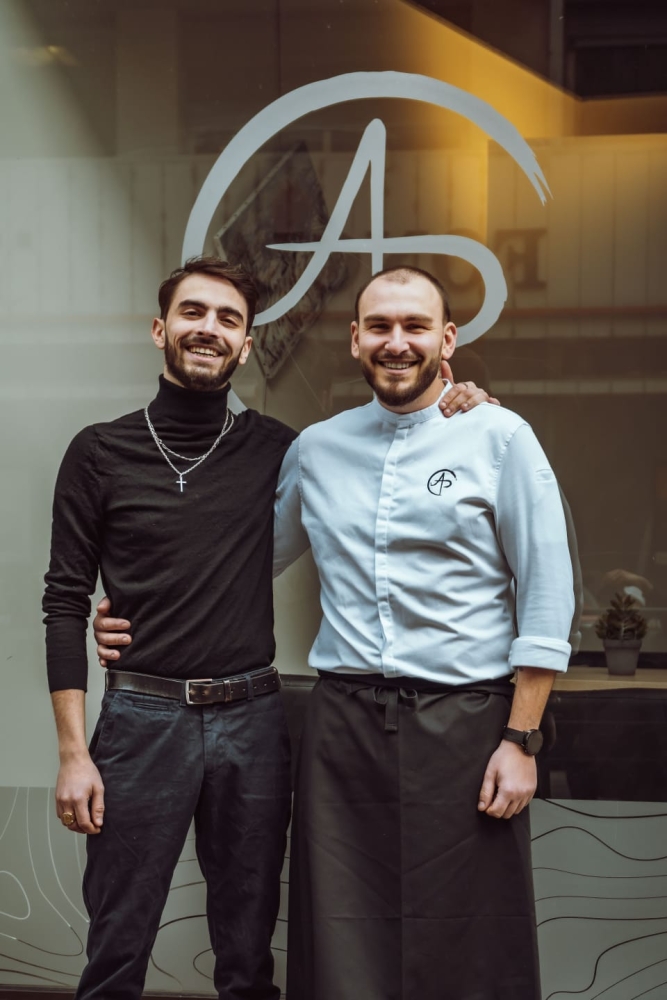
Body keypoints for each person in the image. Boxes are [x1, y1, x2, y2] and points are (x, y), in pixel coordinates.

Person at [44, 255, 490, 1000]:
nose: (208, 329)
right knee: (116, 948)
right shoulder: (98, 452)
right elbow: (63, 599)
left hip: (252, 720)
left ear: (246, 346)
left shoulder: (288, 451)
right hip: (140, 719)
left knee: (249, 956)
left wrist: (460, 399)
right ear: (159, 329)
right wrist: (72, 754)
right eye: (193, 312)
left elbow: (395, 445)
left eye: (228, 319)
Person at [270, 265, 575, 1000]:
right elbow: (245, 562)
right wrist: (137, 607)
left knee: (471, 943)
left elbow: (546, 594)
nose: (396, 342)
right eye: (379, 326)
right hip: (343, 728)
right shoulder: (315, 448)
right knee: (339, 937)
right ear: (355, 340)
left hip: (468, 725)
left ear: (448, 339)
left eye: (415, 326)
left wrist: (521, 740)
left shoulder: (500, 436)